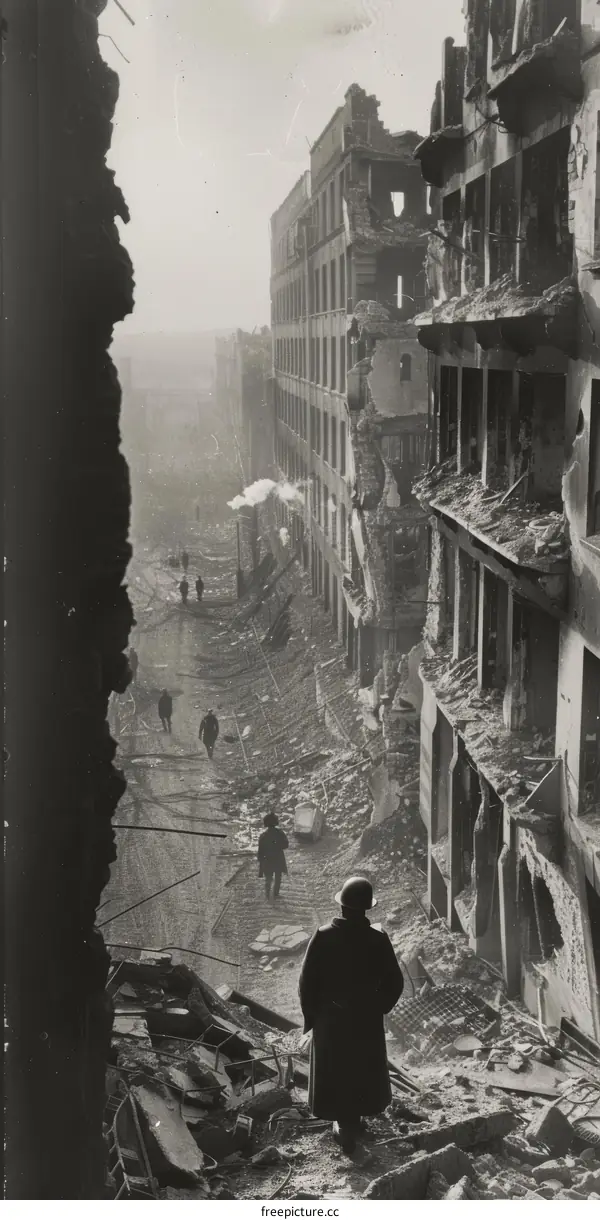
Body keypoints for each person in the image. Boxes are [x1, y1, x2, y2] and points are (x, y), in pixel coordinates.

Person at [298, 876, 404, 1156]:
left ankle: (344, 1125)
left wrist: (312, 1017)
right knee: (361, 1070)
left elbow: (306, 982)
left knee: (336, 1070)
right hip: (365, 1021)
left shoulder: (323, 935)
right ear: (367, 908)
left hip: (331, 1020)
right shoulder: (378, 939)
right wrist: (377, 1007)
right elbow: (395, 982)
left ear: (342, 907)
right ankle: (352, 1122)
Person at [257, 813, 289, 901]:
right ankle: (276, 894)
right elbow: (286, 845)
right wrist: (277, 845)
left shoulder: (263, 836)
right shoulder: (280, 833)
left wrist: (260, 860)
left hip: (267, 859)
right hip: (278, 858)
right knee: (278, 877)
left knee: (268, 878)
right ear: (276, 822)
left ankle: (267, 895)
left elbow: (260, 851)